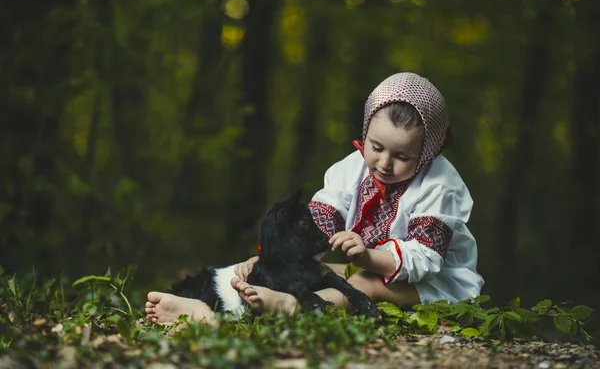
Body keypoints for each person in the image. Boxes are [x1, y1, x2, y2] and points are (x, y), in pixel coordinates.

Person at [145, 72, 484, 323]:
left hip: (433, 282)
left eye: (402, 157)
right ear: (365, 132)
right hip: (360, 263)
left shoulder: (441, 186)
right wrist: (271, 255)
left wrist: (367, 257)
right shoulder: (352, 168)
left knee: (366, 281)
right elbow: (322, 218)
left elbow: (423, 259)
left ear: (426, 153)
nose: (383, 163)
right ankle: (205, 306)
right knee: (296, 268)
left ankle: (293, 306)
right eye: (376, 147)